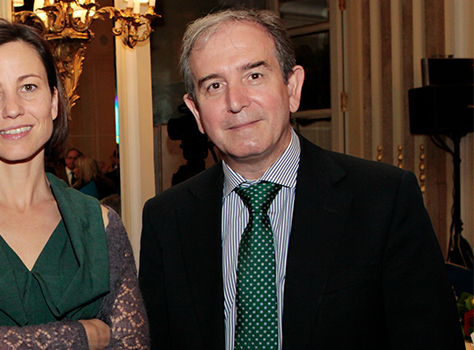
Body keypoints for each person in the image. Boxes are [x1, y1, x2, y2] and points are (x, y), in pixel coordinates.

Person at [138, 8, 462, 350]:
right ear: (196, 112)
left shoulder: (384, 199)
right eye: (215, 85)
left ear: (292, 87)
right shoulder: (167, 219)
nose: (235, 102)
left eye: (254, 76)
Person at [0, 18, 148, 349]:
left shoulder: (100, 223)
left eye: (28, 87)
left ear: (53, 101)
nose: (12, 109)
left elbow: (132, 344)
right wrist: (84, 334)